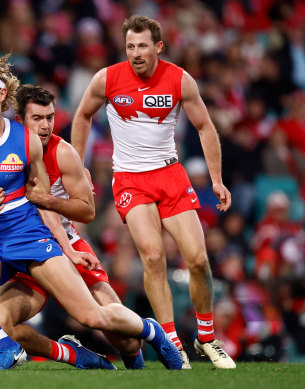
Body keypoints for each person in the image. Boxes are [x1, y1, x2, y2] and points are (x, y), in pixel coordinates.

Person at [0, 53, 182, 371]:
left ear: (2, 95)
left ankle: (151, 330)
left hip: (31, 239)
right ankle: (8, 348)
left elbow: (42, 202)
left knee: (92, 316)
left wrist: (69, 251)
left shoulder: (27, 142)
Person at [71, 15, 236, 369]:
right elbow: (82, 116)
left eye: (142, 46)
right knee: (153, 256)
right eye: (130, 46)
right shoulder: (107, 78)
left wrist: (217, 179)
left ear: (158, 47)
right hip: (130, 179)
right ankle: (172, 342)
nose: (135, 53)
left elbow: (205, 127)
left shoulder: (179, 79)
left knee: (198, 259)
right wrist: (78, 166)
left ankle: (206, 337)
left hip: (171, 174)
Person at [0, 84, 143, 369]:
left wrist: (47, 200)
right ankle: (72, 354)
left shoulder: (63, 153)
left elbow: (87, 211)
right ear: (19, 121)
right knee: (1, 322)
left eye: (49, 118)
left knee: (125, 339)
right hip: (26, 251)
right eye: (37, 119)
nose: (45, 126)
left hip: (66, 245)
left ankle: (148, 339)